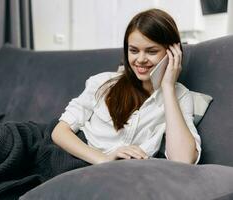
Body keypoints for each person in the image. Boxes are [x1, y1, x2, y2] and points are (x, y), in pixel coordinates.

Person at [51, 8, 201, 165]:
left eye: (151, 51)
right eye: (134, 50)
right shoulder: (103, 82)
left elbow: (183, 160)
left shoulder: (179, 96)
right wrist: (104, 159)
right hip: (64, 152)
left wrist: (168, 87)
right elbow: (59, 131)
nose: (140, 59)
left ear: (172, 52)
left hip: (98, 172)